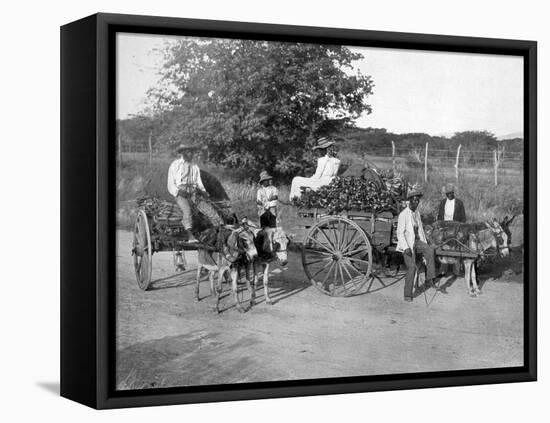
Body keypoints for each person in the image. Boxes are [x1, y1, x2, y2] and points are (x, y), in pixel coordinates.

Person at [167, 142, 224, 243]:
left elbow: (198, 182)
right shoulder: (175, 165)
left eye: (192, 152)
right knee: (187, 211)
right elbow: (171, 183)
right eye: (188, 152)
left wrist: (204, 192)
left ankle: (220, 230)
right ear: (183, 153)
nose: (191, 154)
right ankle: (190, 236)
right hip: (181, 193)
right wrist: (178, 192)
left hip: (193, 192)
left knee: (209, 210)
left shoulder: (195, 166)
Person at [396, 189, 437, 302]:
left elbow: (420, 231)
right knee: (412, 267)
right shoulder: (403, 215)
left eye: (417, 201)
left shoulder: (417, 213)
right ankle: (407, 294)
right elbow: (399, 233)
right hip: (408, 245)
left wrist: (424, 244)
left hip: (417, 242)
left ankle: (430, 278)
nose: (415, 203)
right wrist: (406, 248)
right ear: (409, 201)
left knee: (429, 251)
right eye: (413, 200)